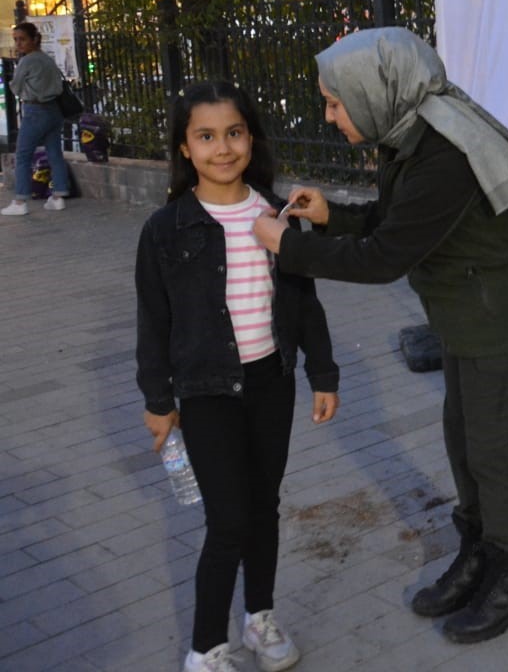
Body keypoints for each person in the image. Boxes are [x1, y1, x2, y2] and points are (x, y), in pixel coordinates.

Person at [251, 27, 508, 646]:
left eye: (335, 102)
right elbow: (399, 223)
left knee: (496, 451)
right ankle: (479, 556)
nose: (330, 115)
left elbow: (384, 257)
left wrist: (290, 247)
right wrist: (328, 216)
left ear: (375, 90)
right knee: (464, 441)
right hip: (473, 315)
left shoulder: (443, 152)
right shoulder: (415, 137)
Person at [135, 81, 340, 672]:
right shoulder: (165, 229)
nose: (222, 148)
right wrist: (158, 399)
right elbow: (154, 322)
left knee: (265, 506)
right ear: (184, 148)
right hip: (206, 394)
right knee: (227, 521)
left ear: (251, 138)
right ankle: (204, 649)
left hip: (271, 382)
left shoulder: (278, 214)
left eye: (233, 133)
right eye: (206, 136)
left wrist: (323, 373)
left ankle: (259, 619)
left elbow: (304, 303)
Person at [3, 21, 73, 215]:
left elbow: (15, 86)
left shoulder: (27, 61)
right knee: (54, 152)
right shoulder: (47, 59)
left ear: (34, 39)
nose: (18, 44)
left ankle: (20, 201)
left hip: (35, 111)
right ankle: (58, 195)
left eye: (22, 39)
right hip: (54, 111)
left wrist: (24, 88)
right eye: (16, 40)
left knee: (23, 155)